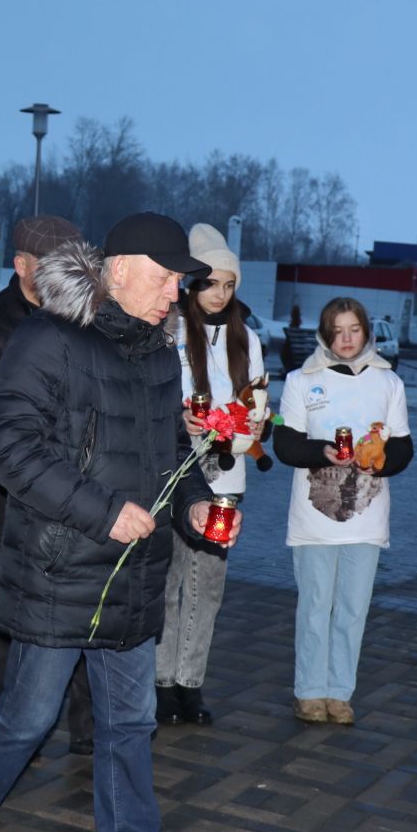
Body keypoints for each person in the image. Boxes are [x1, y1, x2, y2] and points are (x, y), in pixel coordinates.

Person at [0, 213, 228, 832]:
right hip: (61, 566)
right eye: (162, 280)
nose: (171, 296)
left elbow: (168, 456)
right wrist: (100, 511)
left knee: (130, 724)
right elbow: (8, 446)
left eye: (178, 283)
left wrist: (194, 503)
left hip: (131, 572)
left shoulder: (159, 353)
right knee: (28, 716)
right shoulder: (48, 339)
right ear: (118, 268)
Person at [0, 216, 93, 751]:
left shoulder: (85, 318)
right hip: (9, 487)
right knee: (3, 599)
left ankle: (86, 724)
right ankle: (0, 711)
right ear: (22, 265)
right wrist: (15, 437)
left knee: (79, 597)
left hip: (79, 486)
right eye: (52, 266)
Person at [273, 298, 413, 725]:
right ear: (325, 334)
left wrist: (379, 461)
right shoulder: (301, 380)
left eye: (355, 329)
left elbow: (403, 447)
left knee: (353, 608)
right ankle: (309, 691)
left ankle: (340, 691)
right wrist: (323, 451)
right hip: (315, 517)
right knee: (315, 605)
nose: (347, 339)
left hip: (367, 517)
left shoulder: (389, 383)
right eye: (338, 330)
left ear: (367, 331)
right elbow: (285, 445)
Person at [155, 223, 268, 727]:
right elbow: (155, 397)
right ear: (191, 284)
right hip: (176, 473)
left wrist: (254, 420)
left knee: (209, 586)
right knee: (170, 580)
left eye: (229, 284)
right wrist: (179, 418)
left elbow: (259, 402)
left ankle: (190, 684)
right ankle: (160, 683)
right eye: (211, 283)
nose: (221, 294)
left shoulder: (251, 339)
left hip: (224, 481)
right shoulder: (170, 330)